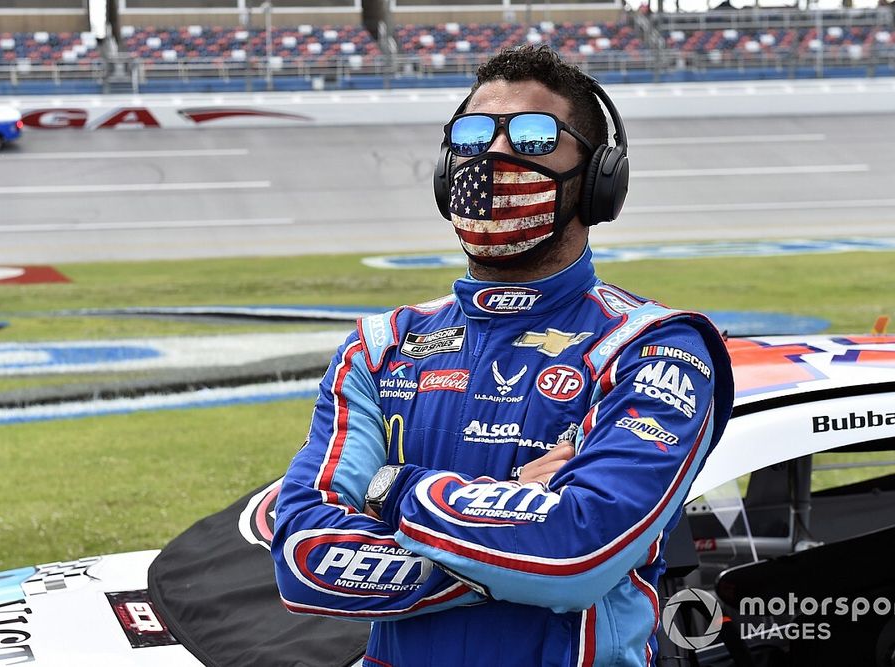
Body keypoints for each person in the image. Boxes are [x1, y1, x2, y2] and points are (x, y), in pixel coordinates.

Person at [272, 45, 734, 666]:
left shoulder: (655, 348)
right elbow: (304, 558)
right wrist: (514, 524)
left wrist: (392, 491)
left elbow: (576, 555)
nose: (493, 156)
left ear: (601, 180)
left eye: (535, 137)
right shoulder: (379, 347)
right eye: (471, 137)